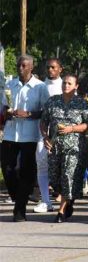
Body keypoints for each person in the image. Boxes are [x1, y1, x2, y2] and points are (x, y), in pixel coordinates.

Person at [1, 55, 50, 222]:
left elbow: (46, 111)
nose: (20, 68)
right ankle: (19, 196)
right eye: (18, 65)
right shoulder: (10, 85)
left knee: (26, 171)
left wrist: (28, 114)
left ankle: (19, 209)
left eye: (24, 66)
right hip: (10, 132)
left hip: (29, 134)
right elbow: (3, 106)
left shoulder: (40, 87)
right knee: (7, 168)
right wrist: (6, 113)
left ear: (31, 68)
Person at [40, 74, 88, 223]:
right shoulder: (52, 101)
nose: (65, 86)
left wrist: (72, 128)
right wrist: (45, 137)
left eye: (69, 83)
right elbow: (43, 123)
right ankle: (69, 200)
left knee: (68, 176)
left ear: (76, 86)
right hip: (55, 146)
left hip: (74, 147)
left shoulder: (82, 103)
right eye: (64, 83)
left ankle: (61, 211)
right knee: (55, 179)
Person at [34, 58, 63, 214]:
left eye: (53, 67)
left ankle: (65, 201)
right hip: (43, 132)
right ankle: (46, 201)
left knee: (61, 166)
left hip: (62, 132)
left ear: (60, 69)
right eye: (48, 67)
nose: (50, 70)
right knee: (41, 164)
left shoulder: (65, 85)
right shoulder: (40, 86)